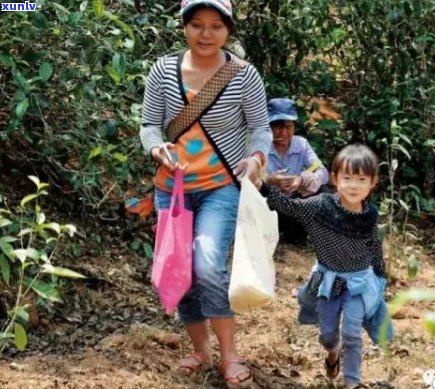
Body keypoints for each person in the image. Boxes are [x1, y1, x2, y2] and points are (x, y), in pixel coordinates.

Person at [139, 0, 271, 387]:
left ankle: (229, 356)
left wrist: (257, 158)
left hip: (220, 187)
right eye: (197, 25)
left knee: (208, 265)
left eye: (216, 25)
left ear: (228, 29)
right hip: (173, 189)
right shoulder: (162, 71)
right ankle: (200, 350)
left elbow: (261, 128)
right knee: (180, 269)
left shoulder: (244, 76)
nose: (206, 34)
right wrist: (155, 148)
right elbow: (149, 124)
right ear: (184, 27)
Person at [254, 144, 394, 389]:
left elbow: (374, 244)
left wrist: (380, 277)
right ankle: (333, 352)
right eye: (347, 178)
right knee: (328, 334)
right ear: (335, 179)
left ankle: (353, 382)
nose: (353, 185)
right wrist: (264, 187)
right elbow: (289, 206)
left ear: (373, 182)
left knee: (352, 331)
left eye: (361, 179)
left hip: (359, 283)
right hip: (329, 282)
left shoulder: (369, 214)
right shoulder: (320, 207)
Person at [265, 97, 329, 244]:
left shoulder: (301, 144)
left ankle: (307, 234)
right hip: (272, 205)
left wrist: (302, 179)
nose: (284, 132)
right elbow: (247, 179)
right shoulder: (262, 146)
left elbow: (322, 171)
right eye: (278, 127)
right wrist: (270, 180)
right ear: (269, 127)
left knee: (325, 192)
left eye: (288, 127)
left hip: (296, 201)